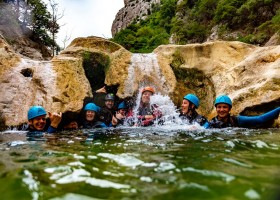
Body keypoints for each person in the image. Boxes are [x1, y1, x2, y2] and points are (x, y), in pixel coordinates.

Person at [204, 95, 280, 128]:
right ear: (216, 109)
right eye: (219, 107)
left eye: (225, 107)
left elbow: (259, 119)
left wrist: (278, 109)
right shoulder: (211, 123)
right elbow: (201, 129)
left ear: (229, 109)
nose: (221, 110)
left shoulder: (237, 120)